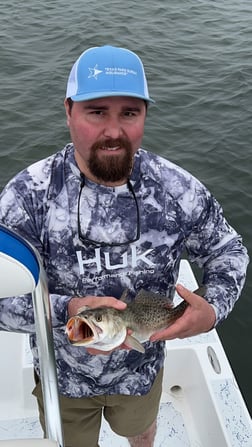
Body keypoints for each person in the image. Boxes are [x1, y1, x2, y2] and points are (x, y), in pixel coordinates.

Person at [0, 45, 249, 447]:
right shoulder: (28, 195)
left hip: (142, 372)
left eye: (129, 113)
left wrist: (213, 307)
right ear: (68, 111)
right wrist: (66, 310)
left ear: (145, 116)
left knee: (141, 433)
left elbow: (229, 251)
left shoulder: (177, 190)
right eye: (97, 111)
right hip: (62, 377)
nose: (113, 131)